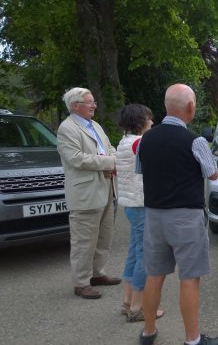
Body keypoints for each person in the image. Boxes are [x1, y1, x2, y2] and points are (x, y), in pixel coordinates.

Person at [137, 84, 218, 345]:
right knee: (189, 277)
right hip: (185, 217)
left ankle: (148, 332)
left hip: (153, 215)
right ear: (190, 107)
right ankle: (193, 340)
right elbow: (213, 174)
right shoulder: (195, 141)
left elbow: (142, 170)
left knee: (154, 274)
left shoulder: (145, 139)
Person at [57, 87, 121, 300]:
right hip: (85, 193)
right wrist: (111, 162)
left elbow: (110, 147)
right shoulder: (67, 128)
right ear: (76, 106)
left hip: (106, 188)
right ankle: (81, 283)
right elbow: (76, 158)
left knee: (104, 236)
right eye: (90, 102)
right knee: (84, 241)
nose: (94, 105)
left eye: (93, 101)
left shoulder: (95, 125)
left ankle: (96, 274)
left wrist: (113, 157)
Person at [116, 104, 165, 322]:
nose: (152, 122)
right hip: (142, 204)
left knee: (135, 252)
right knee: (145, 254)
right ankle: (138, 306)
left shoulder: (124, 142)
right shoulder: (139, 143)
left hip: (131, 204)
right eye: (149, 118)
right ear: (140, 121)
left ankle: (128, 300)